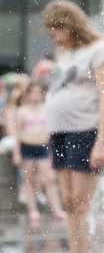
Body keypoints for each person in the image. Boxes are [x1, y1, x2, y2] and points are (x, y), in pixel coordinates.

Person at [43, 0, 104, 253]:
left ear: (70, 25)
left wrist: (101, 142)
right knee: (70, 203)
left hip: (85, 131)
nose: (52, 34)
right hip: (59, 133)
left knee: (81, 204)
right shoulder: (64, 54)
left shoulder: (98, 50)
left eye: (56, 28)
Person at [13, 82, 66, 228]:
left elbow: (52, 131)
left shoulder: (46, 109)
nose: (35, 95)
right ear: (28, 94)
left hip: (43, 147)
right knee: (29, 180)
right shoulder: (21, 111)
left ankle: (57, 209)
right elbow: (17, 134)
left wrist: (52, 150)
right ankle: (33, 210)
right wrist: (17, 153)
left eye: (38, 92)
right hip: (27, 146)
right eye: (33, 92)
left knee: (49, 179)